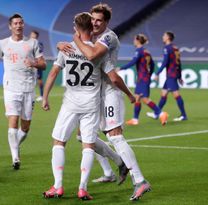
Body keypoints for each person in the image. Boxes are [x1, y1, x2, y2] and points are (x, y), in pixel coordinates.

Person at [71, 3, 151, 201]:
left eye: (99, 20)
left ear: (106, 22)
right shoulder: (90, 36)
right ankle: (116, 165)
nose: (95, 23)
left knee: (115, 137)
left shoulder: (109, 37)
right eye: (93, 19)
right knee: (84, 136)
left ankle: (140, 181)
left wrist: (129, 94)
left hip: (109, 93)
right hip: (94, 93)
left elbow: (95, 59)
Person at [42, 12, 104, 200]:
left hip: (70, 103)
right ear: (91, 28)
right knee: (88, 145)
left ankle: (58, 186)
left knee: (59, 142)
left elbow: (52, 74)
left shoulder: (66, 48)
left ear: (76, 28)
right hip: (91, 104)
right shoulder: (99, 50)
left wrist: (45, 97)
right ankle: (82, 188)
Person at [0, 14, 46, 170]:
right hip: (10, 88)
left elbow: (43, 64)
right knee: (13, 121)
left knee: (25, 127)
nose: (18, 25)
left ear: (23, 25)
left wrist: (33, 62)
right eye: (15, 23)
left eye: (21, 23)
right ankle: (15, 157)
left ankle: (16, 145)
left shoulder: (32, 43)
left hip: (28, 88)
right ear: (10, 26)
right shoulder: (3, 43)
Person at [119, 34, 168, 126]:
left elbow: (133, 62)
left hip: (142, 78)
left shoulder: (139, 50)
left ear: (138, 41)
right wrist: (149, 75)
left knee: (144, 99)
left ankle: (161, 113)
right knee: (137, 98)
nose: (133, 41)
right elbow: (152, 65)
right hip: (145, 78)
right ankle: (135, 119)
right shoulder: (147, 51)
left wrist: (121, 68)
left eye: (134, 39)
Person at [147, 31, 187, 121]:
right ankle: (157, 113)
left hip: (171, 75)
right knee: (163, 93)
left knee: (176, 95)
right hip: (174, 74)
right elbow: (179, 63)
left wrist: (157, 73)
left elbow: (165, 62)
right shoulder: (175, 48)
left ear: (168, 37)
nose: (163, 37)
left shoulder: (167, 48)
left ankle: (184, 115)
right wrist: (180, 76)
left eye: (164, 36)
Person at [29, 30, 45, 102]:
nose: (32, 36)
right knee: (29, 79)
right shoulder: (27, 43)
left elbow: (39, 54)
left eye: (33, 35)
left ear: (36, 36)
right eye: (31, 34)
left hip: (37, 64)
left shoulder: (39, 44)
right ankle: (31, 93)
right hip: (29, 64)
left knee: (39, 80)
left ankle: (42, 95)